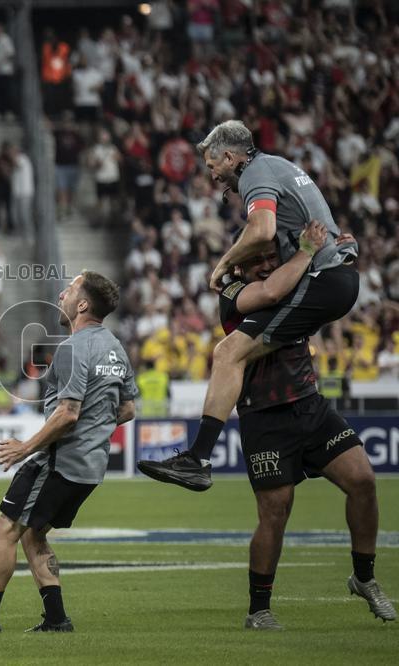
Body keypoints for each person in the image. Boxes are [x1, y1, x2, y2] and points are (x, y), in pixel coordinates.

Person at [185, 225, 391, 628]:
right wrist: (313, 253)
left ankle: (363, 577)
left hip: (310, 407)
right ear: (238, 269)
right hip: (264, 417)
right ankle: (258, 610)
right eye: (255, 260)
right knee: (275, 514)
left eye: (269, 257)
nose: (265, 264)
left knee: (363, 480)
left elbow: (327, 286)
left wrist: (342, 252)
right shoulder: (233, 298)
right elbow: (277, 293)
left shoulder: (293, 281)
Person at [140, 120, 359, 491]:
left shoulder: (256, 173)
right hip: (332, 275)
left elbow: (261, 231)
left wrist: (223, 264)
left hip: (325, 280)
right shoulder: (278, 166)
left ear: (229, 156)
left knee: (228, 353)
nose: (212, 175)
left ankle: (198, 458)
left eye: (212, 166)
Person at [0, 271, 137, 633]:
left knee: (6, 529)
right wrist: (95, 431)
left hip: (57, 460)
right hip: (90, 467)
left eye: (71, 289)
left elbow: (68, 413)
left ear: (82, 304)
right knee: (35, 533)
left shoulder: (72, 347)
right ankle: (56, 619)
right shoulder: (114, 346)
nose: (62, 293)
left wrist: (24, 448)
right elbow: (127, 409)